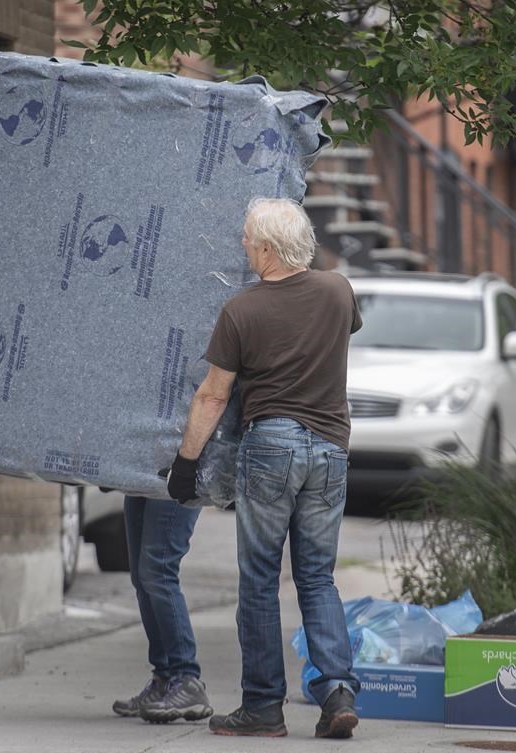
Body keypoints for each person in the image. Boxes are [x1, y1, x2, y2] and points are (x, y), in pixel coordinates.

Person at [165, 197, 362, 739]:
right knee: (317, 576)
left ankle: (262, 707)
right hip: (329, 448)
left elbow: (212, 397)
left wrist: (186, 464)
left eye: (249, 240)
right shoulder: (339, 291)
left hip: (271, 447)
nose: (244, 247)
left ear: (269, 249)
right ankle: (338, 691)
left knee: (258, 581)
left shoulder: (241, 311)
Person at [111, 496, 213, 724]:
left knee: (159, 570)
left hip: (176, 476)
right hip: (141, 478)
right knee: (142, 577)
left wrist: (185, 468)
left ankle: (187, 678)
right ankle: (164, 679)